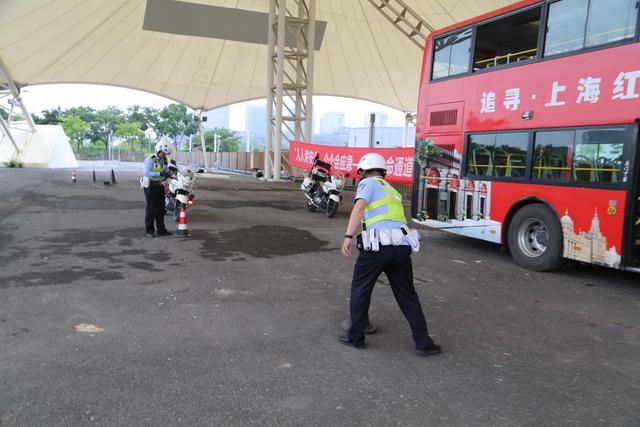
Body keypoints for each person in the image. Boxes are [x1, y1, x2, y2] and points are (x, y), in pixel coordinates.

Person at [337, 153, 442, 357]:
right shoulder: (392, 190)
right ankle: (423, 343)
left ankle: (356, 337)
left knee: (360, 289)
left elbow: (359, 207)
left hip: (377, 247)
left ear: (364, 171)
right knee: (407, 295)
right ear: (383, 170)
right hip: (401, 246)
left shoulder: (368, 183)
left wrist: (348, 235)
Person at [143, 140, 172, 238]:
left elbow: (166, 170)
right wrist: (160, 174)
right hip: (150, 186)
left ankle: (161, 230)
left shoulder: (164, 160)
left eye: (166, 153)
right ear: (158, 150)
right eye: (163, 152)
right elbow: (147, 173)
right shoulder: (150, 159)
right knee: (151, 209)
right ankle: (149, 230)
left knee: (160, 209)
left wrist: (170, 173)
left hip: (160, 186)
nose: (164, 154)